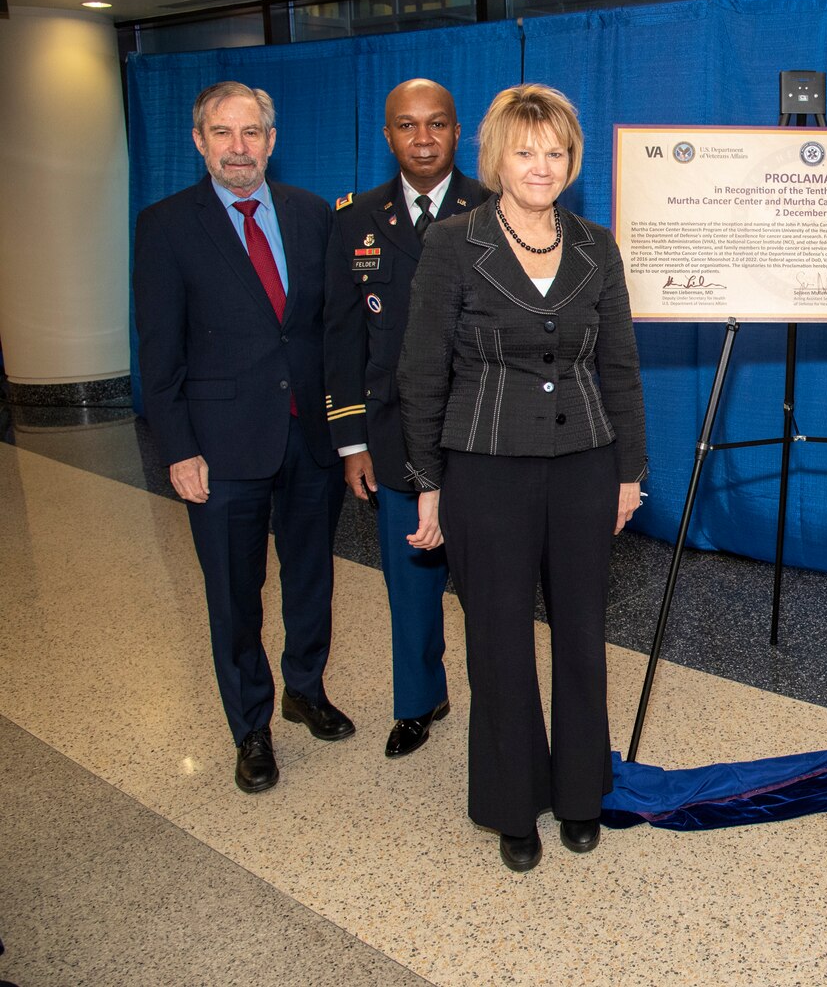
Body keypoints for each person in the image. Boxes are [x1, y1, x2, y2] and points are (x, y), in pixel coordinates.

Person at [396, 84, 647, 872]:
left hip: (585, 467)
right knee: (498, 642)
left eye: (556, 152)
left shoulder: (597, 245)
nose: (541, 166)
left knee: (581, 636)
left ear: (572, 161)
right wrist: (429, 481)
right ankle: (512, 805)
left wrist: (630, 474)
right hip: (484, 470)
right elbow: (421, 369)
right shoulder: (453, 242)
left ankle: (581, 792)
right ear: (497, 156)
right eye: (525, 150)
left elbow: (621, 368)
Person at [133, 82, 352, 795]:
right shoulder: (166, 226)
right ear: (198, 141)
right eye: (222, 133)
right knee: (234, 591)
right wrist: (177, 449)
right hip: (219, 447)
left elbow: (328, 331)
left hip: (308, 439)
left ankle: (304, 688)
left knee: (312, 576)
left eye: (251, 132)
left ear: (271, 138)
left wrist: (349, 435)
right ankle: (250, 726)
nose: (238, 147)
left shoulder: (313, 215)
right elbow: (159, 351)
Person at [324, 79, 487, 758]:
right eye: (407, 126)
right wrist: (351, 440)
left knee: (490, 585)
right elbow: (341, 336)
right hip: (395, 436)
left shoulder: (498, 207)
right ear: (387, 135)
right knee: (410, 580)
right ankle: (419, 701)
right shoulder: (355, 217)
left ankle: (500, 705)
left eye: (437, 124)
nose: (423, 138)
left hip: (484, 436)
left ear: (458, 132)